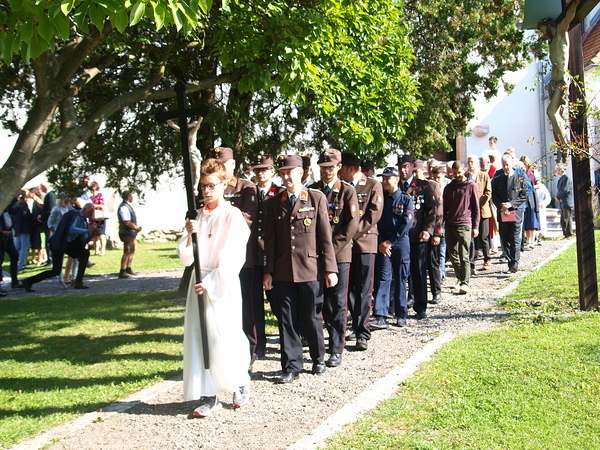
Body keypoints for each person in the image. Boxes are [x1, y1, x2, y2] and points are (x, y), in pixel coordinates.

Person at [177, 158, 251, 417]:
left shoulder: (232, 215)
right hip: (198, 280)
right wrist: (190, 234)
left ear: (224, 185)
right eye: (203, 186)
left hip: (221, 282)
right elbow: (186, 257)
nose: (206, 191)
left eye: (211, 186)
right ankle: (209, 394)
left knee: (225, 335)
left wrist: (210, 283)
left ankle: (239, 381)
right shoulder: (196, 216)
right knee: (200, 338)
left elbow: (234, 255)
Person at [263, 155, 338, 384]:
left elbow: (325, 237)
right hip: (283, 271)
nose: (286, 177)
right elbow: (270, 241)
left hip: (309, 269)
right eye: (283, 173)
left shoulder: (316, 198)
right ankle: (291, 366)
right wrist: (268, 271)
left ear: (301, 173)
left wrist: (330, 269)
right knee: (286, 319)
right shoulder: (274, 202)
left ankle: (318, 357)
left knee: (311, 316)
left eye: (290, 172)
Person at [312, 149, 359, 367]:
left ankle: (336, 348)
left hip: (339, 255)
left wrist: (330, 250)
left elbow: (351, 226)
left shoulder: (347, 192)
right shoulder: (312, 191)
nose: (326, 171)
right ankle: (317, 346)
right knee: (317, 302)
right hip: (316, 256)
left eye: (330, 167)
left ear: (339, 167)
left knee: (337, 303)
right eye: (323, 168)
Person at [338, 152, 383, 351]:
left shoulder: (373, 185)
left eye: (340, 168)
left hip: (364, 244)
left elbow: (373, 215)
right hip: (345, 246)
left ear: (350, 169)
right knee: (349, 290)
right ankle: (354, 325)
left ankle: (362, 332)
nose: (338, 172)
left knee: (364, 289)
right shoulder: (342, 187)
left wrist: (350, 234)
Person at [249, 155, 284, 361]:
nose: (260, 173)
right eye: (257, 170)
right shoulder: (249, 192)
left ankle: (288, 339)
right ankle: (258, 345)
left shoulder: (279, 193)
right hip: (254, 255)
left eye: (264, 169)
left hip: (274, 256)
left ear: (272, 171)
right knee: (255, 305)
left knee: (278, 302)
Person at [369, 167, 413, 328]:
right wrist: (382, 242)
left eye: (388, 179)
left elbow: (407, 223)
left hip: (399, 242)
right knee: (383, 278)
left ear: (396, 180)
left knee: (401, 278)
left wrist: (391, 242)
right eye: (383, 179)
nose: (385, 182)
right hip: (383, 242)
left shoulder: (405, 199)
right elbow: (376, 221)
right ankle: (381, 315)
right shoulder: (382, 199)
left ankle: (401, 314)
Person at [22, 203, 98, 291]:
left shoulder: (84, 221)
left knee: (84, 254)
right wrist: (87, 230)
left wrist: (93, 234)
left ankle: (78, 282)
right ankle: (28, 281)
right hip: (59, 243)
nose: (91, 214)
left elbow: (84, 239)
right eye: (90, 211)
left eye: (92, 212)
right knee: (56, 271)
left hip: (68, 244)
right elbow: (70, 229)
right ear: (84, 209)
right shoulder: (75, 215)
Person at [398, 154, 438, 320]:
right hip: (399, 237)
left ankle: (420, 306)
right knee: (398, 273)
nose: (403, 170)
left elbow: (432, 210)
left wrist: (428, 230)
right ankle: (397, 306)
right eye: (401, 167)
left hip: (417, 236)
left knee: (419, 272)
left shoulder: (423, 186)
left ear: (412, 167)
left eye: (406, 167)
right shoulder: (394, 185)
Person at [538, 0, 580, 148]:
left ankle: (565, 145)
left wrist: (574, 4)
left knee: (551, 112)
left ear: (550, 26)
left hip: (562, 80)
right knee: (556, 116)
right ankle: (561, 147)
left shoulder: (561, 33)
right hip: (554, 82)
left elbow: (568, 19)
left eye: (544, 30)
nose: (544, 34)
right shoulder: (551, 42)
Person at [443, 161, 480, 294]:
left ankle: (465, 282)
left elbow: (476, 207)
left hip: (465, 224)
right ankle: (461, 277)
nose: (457, 175)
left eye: (459, 172)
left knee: (464, 255)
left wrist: (475, 226)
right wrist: (442, 225)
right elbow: (444, 208)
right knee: (453, 255)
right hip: (450, 224)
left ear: (464, 170)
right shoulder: (449, 188)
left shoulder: (471, 185)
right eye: (454, 173)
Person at [491, 155, 528, 273]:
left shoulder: (520, 178)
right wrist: (501, 206)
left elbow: (524, 195)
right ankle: (509, 261)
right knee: (505, 238)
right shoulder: (497, 179)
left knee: (515, 238)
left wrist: (511, 204)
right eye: (504, 165)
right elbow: (494, 195)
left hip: (515, 213)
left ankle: (514, 263)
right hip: (503, 213)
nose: (506, 167)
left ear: (512, 164)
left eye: (507, 164)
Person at [467, 155, 492, 271]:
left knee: (484, 237)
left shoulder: (484, 175)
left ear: (477, 163)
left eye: (472, 162)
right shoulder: (466, 176)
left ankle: (487, 259)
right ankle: (471, 263)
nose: (470, 164)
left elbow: (488, 192)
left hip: (482, 210)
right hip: (469, 212)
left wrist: (478, 204)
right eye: (469, 162)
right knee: (471, 238)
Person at [168, 117, 204, 195]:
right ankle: (194, 187)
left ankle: (194, 187)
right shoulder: (189, 132)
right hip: (192, 152)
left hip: (192, 152)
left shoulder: (189, 132)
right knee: (195, 171)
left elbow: (173, 125)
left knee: (195, 171)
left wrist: (168, 121)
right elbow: (173, 125)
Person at [117, 191, 142, 279]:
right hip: (127, 232)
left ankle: (128, 268)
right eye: (131, 196)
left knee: (132, 251)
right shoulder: (124, 207)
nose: (132, 197)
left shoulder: (127, 206)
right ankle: (122, 270)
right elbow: (126, 221)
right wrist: (136, 227)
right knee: (127, 251)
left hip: (131, 232)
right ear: (128, 197)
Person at [520, 156, 541, 250]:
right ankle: (528, 240)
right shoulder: (520, 173)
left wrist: (530, 187)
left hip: (532, 197)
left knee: (532, 219)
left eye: (525, 163)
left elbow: (539, 185)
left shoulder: (533, 172)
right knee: (526, 220)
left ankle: (532, 241)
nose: (524, 165)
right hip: (524, 197)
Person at [555, 164, 574, 238]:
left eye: (558, 170)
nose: (557, 172)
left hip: (567, 201)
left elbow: (565, 189)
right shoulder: (561, 179)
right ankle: (565, 233)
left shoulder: (566, 178)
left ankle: (569, 234)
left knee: (567, 218)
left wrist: (558, 197)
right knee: (563, 219)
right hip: (562, 201)